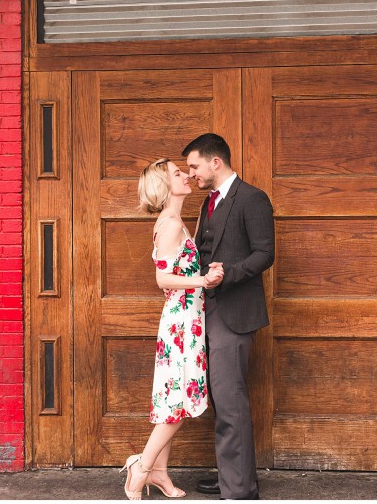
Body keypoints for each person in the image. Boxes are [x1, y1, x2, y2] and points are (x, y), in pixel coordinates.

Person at [121, 158, 224, 500]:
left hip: (186, 320)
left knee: (172, 402)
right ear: (165, 186)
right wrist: (204, 280)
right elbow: (162, 279)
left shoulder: (176, 221)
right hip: (181, 320)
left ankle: (160, 473)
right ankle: (142, 466)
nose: (186, 176)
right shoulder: (169, 224)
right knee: (179, 403)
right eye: (177, 174)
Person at [183, 134, 275, 500]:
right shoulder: (210, 202)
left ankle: (238, 490)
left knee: (230, 397)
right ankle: (233, 478)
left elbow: (264, 253)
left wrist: (228, 273)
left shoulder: (252, 198)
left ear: (215, 162)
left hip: (235, 312)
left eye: (194, 166)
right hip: (208, 310)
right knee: (223, 399)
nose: (191, 174)